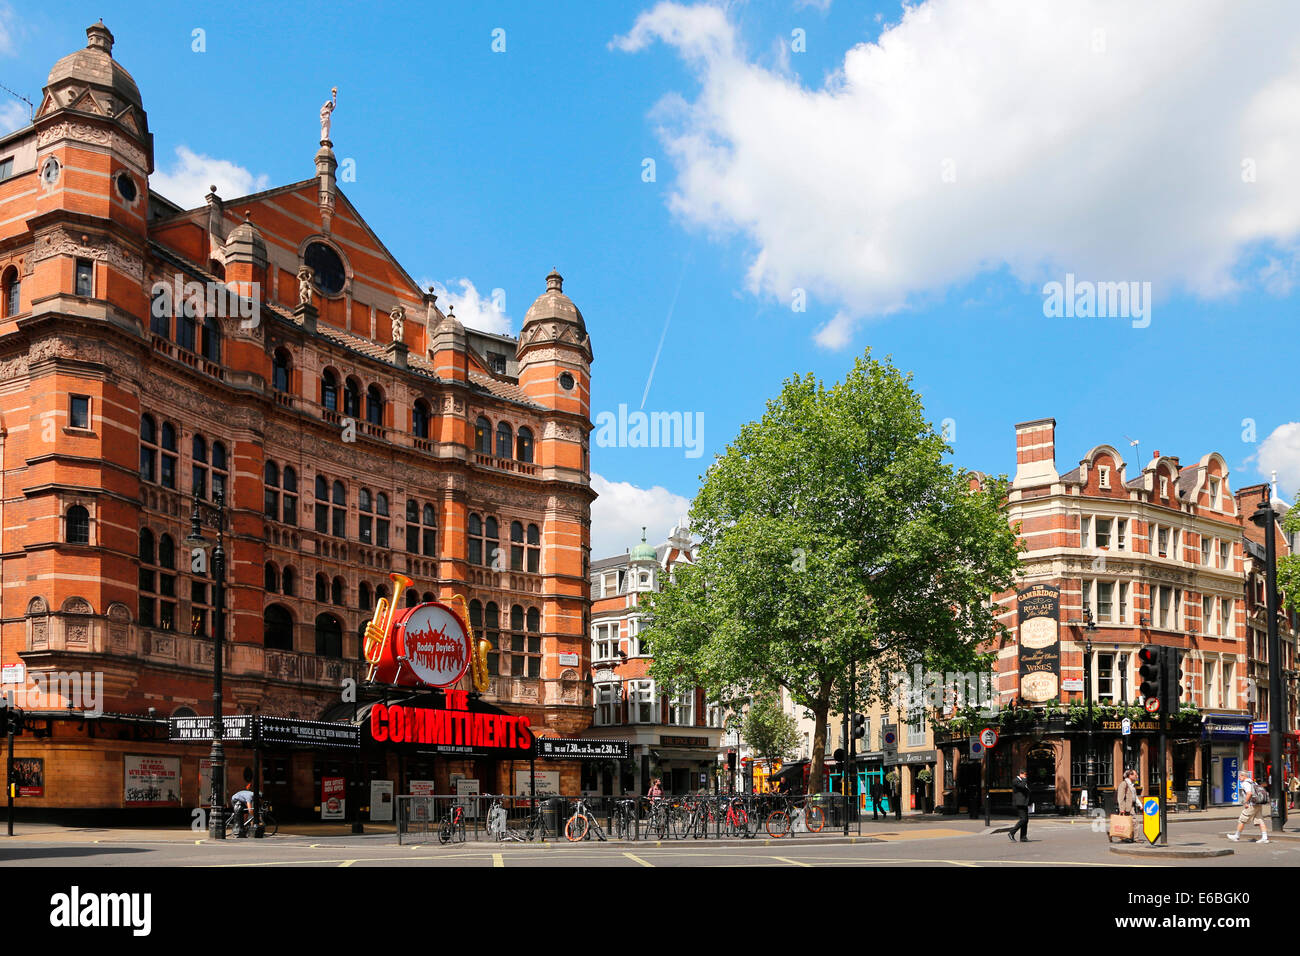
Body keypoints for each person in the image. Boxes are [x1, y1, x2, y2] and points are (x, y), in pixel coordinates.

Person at [1228, 771, 1269, 843]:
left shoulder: (1245, 783)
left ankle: (1236, 836)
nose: (1239, 778)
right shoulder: (1253, 782)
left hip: (1251, 804)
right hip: (1258, 803)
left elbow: (1249, 793)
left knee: (1242, 819)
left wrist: (1246, 802)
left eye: (1240, 776)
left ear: (1243, 776)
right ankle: (1264, 837)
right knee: (1260, 820)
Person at [1116, 769, 1140, 843]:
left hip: (1131, 806)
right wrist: (1122, 809)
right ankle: (1132, 838)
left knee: (1133, 822)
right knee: (1132, 822)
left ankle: (1131, 837)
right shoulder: (1124, 784)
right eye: (1135, 775)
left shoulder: (1132, 785)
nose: (1137, 776)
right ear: (1130, 776)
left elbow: (1134, 796)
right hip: (1126, 807)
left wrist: (1139, 804)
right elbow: (1120, 797)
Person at [1009, 769, 1030, 842]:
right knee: (1023, 819)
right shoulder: (1016, 780)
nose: (1026, 776)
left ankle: (1023, 837)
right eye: (1025, 774)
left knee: (1026, 820)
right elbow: (1022, 787)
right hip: (1020, 803)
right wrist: (1024, 779)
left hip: (1024, 803)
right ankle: (1012, 832)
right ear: (1021, 774)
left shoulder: (1022, 781)